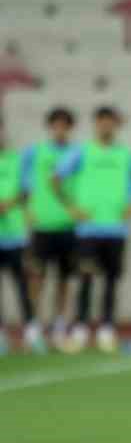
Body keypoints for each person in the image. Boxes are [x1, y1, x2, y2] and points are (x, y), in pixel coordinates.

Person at [53, 105, 131, 353]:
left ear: (116, 125)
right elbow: (55, 179)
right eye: (102, 121)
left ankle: (106, 328)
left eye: (110, 122)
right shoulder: (81, 152)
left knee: (111, 281)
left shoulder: (126, 154)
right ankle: (81, 328)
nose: (106, 126)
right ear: (96, 124)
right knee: (85, 278)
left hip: (116, 229)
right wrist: (71, 208)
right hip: (88, 230)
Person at [20, 107, 78, 349]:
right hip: (42, 225)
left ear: (70, 128)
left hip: (68, 225)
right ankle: (34, 324)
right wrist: (27, 212)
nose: (60, 129)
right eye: (56, 124)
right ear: (50, 127)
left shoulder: (77, 154)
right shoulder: (34, 153)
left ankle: (60, 324)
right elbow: (22, 185)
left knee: (65, 279)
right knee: (37, 277)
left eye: (64, 125)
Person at [0, 117, 38, 354]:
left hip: (16, 235)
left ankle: (32, 331)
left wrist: (8, 203)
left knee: (22, 285)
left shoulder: (18, 159)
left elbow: (26, 189)